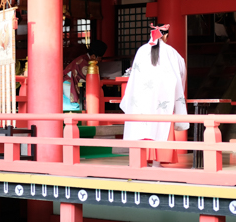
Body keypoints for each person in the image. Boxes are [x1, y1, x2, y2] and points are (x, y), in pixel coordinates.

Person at [119, 24, 189, 167]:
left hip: (142, 99)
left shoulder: (141, 51)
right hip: (163, 99)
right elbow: (181, 71)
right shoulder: (171, 52)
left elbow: (134, 77)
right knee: (160, 127)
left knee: (142, 127)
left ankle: (139, 162)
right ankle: (157, 163)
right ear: (165, 36)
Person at [62, 40, 108, 111]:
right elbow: (86, 79)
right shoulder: (83, 62)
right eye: (100, 58)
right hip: (69, 85)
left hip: (72, 83)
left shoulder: (84, 59)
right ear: (93, 56)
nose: (100, 60)